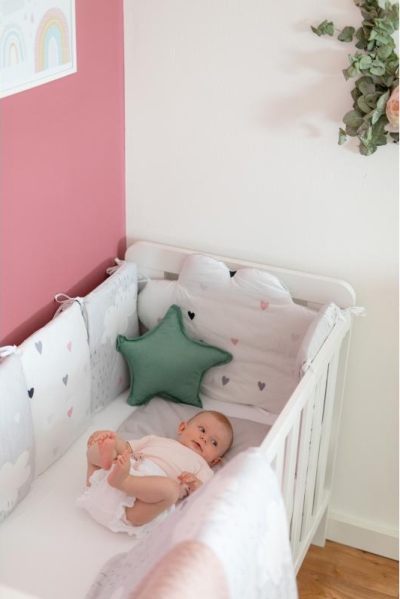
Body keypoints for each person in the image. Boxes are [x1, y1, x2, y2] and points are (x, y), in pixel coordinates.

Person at [76, 411, 233, 536]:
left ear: (215, 461)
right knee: (112, 445)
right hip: (108, 480)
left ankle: (124, 481)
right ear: (182, 428)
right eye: (202, 430)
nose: (204, 438)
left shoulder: (203, 467)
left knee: (171, 490)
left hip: (134, 508)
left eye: (214, 442)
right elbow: (126, 449)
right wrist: (112, 442)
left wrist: (195, 484)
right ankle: (106, 455)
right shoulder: (155, 440)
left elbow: (203, 496)